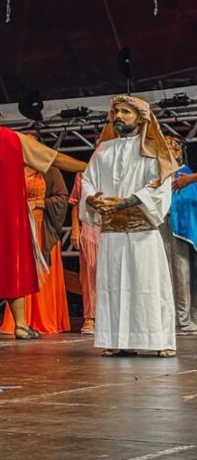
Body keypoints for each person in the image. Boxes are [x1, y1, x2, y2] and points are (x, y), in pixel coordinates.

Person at [0, 83, 86, 340]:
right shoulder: (16, 139)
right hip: (10, 216)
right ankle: (20, 325)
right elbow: (55, 159)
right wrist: (90, 165)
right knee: (12, 264)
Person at [81, 95, 177, 358]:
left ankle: (160, 340)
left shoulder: (153, 150)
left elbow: (159, 186)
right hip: (112, 233)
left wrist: (126, 202)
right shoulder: (103, 150)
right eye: (116, 112)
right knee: (113, 286)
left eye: (126, 112)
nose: (119, 116)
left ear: (141, 118)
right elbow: (88, 181)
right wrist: (92, 199)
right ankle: (118, 339)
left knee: (148, 286)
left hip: (141, 231)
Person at [0, 165, 72, 335]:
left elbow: (62, 198)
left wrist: (38, 203)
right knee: (21, 272)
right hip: (21, 228)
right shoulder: (14, 169)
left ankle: (44, 318)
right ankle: (21, 320)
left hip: (42, 230)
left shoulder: (50, 171)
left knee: (43, 274)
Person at [165, 137, 197, 335]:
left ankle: (188, 319)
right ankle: (179, 320)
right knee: (174, 273)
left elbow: (190, 198)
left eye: (171, 148)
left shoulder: (185, 173)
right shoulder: (160, 173)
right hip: (169, 226)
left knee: (186, 274)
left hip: (184, 228)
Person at [69, 172, 99, 334]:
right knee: (89, 274)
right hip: (89, 228)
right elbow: (75, 203)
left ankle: (110, 316)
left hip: (112, 227)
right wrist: (75, 228)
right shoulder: (83, 174)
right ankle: (90, 317)